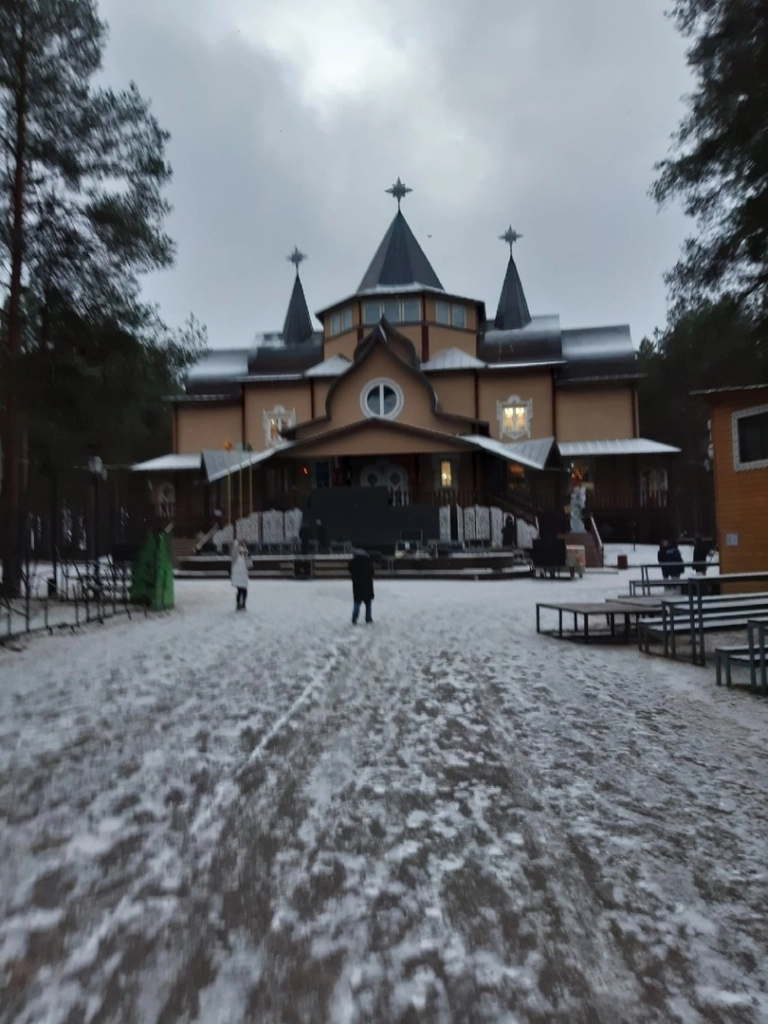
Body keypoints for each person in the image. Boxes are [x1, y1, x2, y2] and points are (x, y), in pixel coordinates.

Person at [349, 546, 374, 624]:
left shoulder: (352, 562)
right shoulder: (368, 561)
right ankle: (368, 617)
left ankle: (354, 617)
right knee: (368, 602)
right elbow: (372, 572)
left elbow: (350, 570)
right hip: (367, 584)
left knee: (357, 601)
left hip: (357, 584)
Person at [230, 541, 251, 611]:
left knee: (244, 590)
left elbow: (249, 565)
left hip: (244, 575)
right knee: (239, 590)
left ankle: (243, 604)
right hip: (237, 575)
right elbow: (233, 558)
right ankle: (238, 604)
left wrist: (247, 555)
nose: (241, 548)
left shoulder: (246, 555)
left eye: (242, 546)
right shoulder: (235, 555)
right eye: (240, 547)